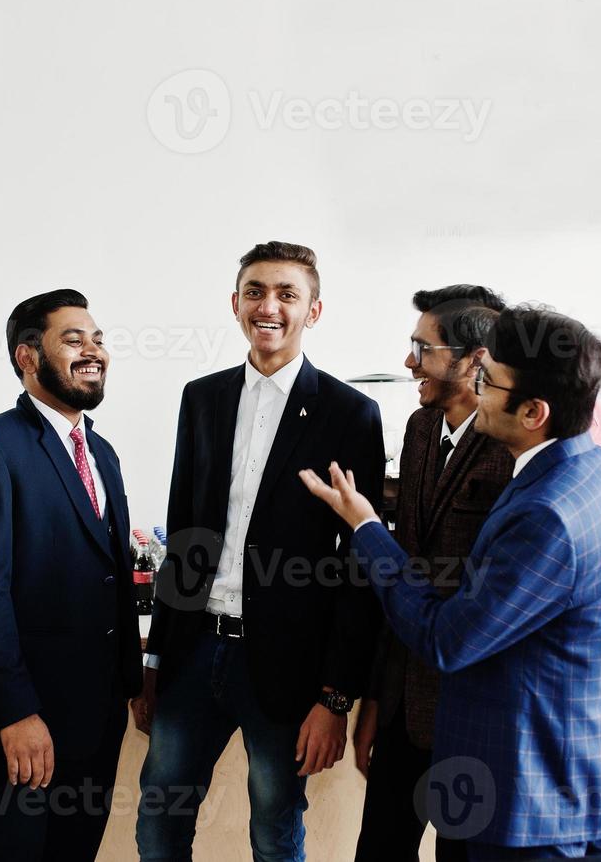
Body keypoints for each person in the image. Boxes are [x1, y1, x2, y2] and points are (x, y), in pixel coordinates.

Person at [301, 304, 601, 860]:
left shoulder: (548, 514)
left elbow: (448, 638)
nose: (477, 387)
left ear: (532, 412)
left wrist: (367, 528)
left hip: (536, 804)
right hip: (594, 784)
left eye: (488, 380)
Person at [134, 240, 385, 861]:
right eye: (255, 292)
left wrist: (335, 698)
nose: (268, 306)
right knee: (159, 819)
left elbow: (359, 565)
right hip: (195, 651)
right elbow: (184, 532)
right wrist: (156, 658)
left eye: (287, 294)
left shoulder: (351, 413)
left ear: (314, 311)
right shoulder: (203, 398)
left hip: (287, 666)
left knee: (275, 828)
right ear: (235, 303)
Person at [0, 290, 142, 861]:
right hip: (21, 728)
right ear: (28, 357)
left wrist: (134, 680)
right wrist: (14, 712)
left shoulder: (102, 452)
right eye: (73, 340)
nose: (94, 351)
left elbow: (113, 576)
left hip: (97, 721)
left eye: (99, 339)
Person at [353, 286, 512, 862]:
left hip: (478, 720)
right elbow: (404, 571)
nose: (408, 361)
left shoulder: (513, 445)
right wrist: (374, 700)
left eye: (423, 348)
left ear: (474, 360)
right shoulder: (420, 429)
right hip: (402, 707)